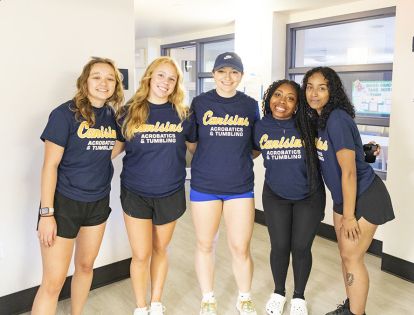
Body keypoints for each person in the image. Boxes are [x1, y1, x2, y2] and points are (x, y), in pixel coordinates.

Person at [32, 57, 125, 315]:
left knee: (85, 267)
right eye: (96, 77)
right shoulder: (64, 114)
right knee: (53, 282)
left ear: (116, 85)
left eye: (109, 78)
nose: (103, 83)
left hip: (97, 203)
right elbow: (49, 166)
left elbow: (112, 149)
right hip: (63, 204)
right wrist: (46, 214)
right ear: (85, 82)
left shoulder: (112, 116)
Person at [302, 67, 395, 315]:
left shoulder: (337, 118)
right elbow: (342, 154)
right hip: (344, 199)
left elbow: (349, 172)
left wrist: (350, 214)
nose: (314, 93)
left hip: (364, 196)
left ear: (332, 91)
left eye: (322, 87)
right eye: (310, 87)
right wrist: (365, 150)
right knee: (346, 257)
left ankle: (357, 313)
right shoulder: (319, 119)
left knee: (353, 258)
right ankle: (351, 307)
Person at [114, 56, 196, 315]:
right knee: (140, 254)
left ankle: (157, 302)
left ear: (176, 84)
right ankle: (141, 306)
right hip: (135, 192)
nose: (165, 82)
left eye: (171, 78)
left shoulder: (184, 114)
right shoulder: (128, 112)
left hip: (170, 192)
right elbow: (112, 150)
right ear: (149, 76)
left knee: (160, 248)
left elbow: (196, 149)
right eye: (161, 75)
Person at [189, 52, 260, 315]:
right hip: (204, 185)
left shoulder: (250, 106)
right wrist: (213, 158)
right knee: (205, 244)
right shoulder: (199, 103)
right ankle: (208, 298)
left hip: (240, 187)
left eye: (233, 72)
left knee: (240, 247)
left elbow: (254, 147)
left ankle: (244, 298)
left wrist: (233, 158)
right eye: (222, 71)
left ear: (240, 76)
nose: (227, 77)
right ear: (213, 74)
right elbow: (192, 143)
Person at [253, 80, 326, 315]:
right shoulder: (260, 126)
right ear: (269, 98)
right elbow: (248, 151)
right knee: (280, 246)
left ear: (297, 104)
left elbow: (333, 146)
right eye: (277, 95)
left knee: (302, 247)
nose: (282, 102)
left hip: (309, 195)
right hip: (275, 195)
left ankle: (299, 297)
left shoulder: (309, 123)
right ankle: (278, 292)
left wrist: (366, 151)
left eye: (290, 98)